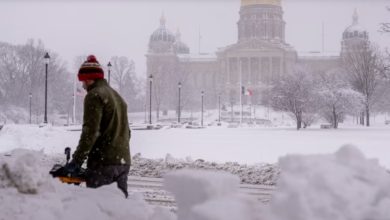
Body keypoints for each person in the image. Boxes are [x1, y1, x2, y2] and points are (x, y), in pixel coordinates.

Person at [68, 55, 131, 197]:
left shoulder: (94, 95)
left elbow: (90, 133)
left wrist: (76, 162)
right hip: (123, 162)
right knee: (119, 210)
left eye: (83, 81)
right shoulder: (118, 97)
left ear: (89, 79)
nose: (83, 86)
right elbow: (127, 132)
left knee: (100, 210)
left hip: (103, 164)